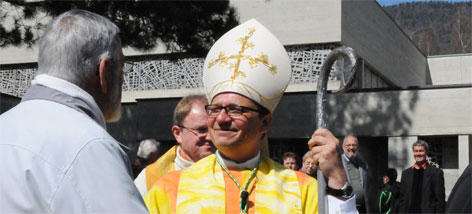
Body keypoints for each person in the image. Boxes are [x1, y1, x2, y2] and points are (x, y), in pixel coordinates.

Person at [144, 19, 357, 213]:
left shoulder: (301, 190)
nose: (222, 118)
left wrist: (338, 178)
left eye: (236, 110)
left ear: (265, 123)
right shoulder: (168, 189)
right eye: (216, 109)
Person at [0, 9, 147, 212]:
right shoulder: (91, 146)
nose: (124, 78)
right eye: (122, 65)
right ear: (103, 71)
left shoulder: (5, 126)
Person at [134, 94, 216, 197]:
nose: (210, 137)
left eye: (214, 129)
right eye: (201, 130)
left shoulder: (231, 171)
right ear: (178, 133)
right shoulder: (150, 180)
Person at [397, 140, 446, 213]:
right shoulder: (406, 174)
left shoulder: (436, 173)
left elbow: (440, 201)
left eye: (421, 151)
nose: (418, 154)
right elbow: (402, 199)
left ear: (426, 152)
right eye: (416, 151)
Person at [342, 135, 370, 213]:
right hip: (346, 208)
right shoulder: (338, 164)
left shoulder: (363, 164)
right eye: (348, 145)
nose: (351, 148)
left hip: (362, 208)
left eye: (354, 145)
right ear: (343, 147)